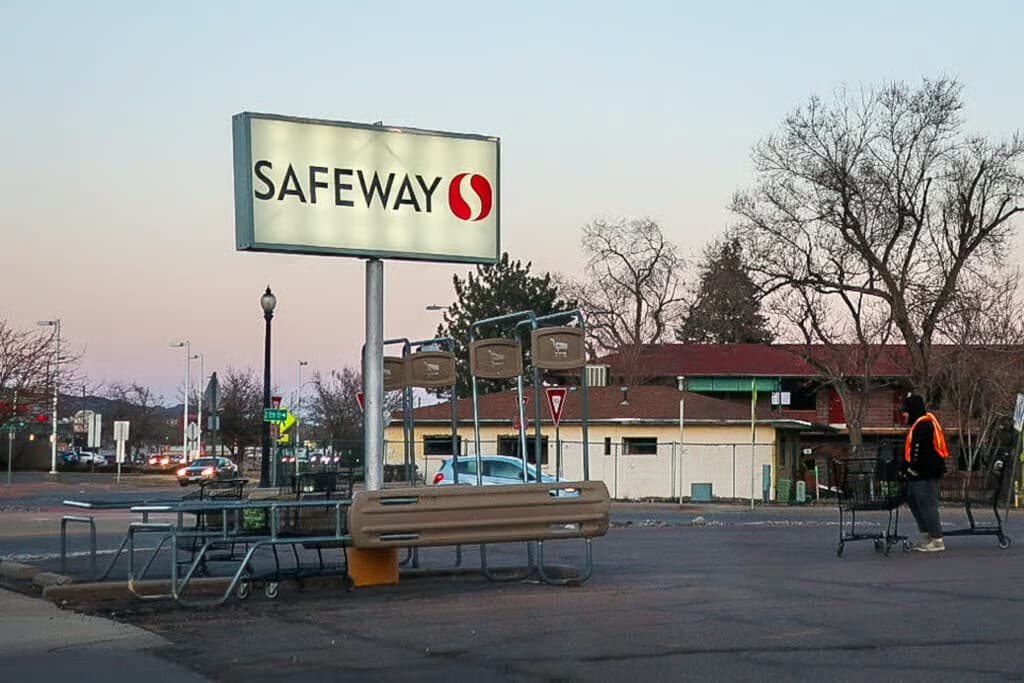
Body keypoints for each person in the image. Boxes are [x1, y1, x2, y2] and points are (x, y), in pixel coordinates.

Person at [902, 393, 950, 552]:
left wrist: (912, 469)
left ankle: (937, 539)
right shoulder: (918, 425)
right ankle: (926, 535)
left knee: (927, 504)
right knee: (915, 502)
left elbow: (922, 453)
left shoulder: (924, 426)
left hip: (925, 474)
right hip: (918, 474)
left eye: (906, 410)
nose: (904, 414)